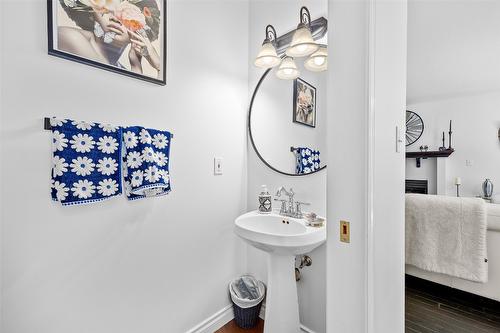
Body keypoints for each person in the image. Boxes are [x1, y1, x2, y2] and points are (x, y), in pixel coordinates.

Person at [57, 0, 162, 78]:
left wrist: (137, 65)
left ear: (140, 29)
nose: (115, 18)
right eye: (106, 9)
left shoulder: (117, 68)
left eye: (127, 13)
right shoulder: (71, 38)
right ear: (93, 13)